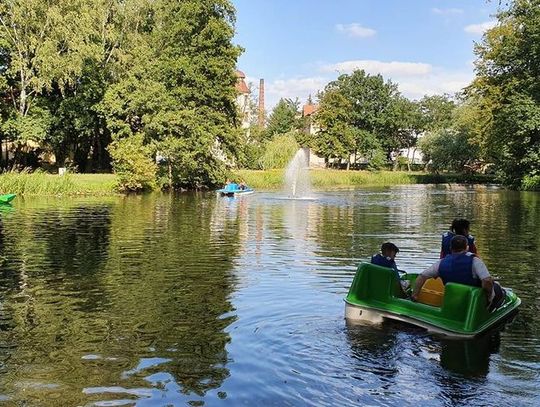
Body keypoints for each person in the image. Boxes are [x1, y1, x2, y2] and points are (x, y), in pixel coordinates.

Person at [412, 235, 505, 311]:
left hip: (453, 298)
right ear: (467, 247)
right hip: (473, 300)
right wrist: (489, 297)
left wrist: (415, 295)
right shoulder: (475, 261)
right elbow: (487, 281)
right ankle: (488, 311)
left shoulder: (441, 263)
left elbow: (422, 276)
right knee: (497, 287)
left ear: (450, 248)